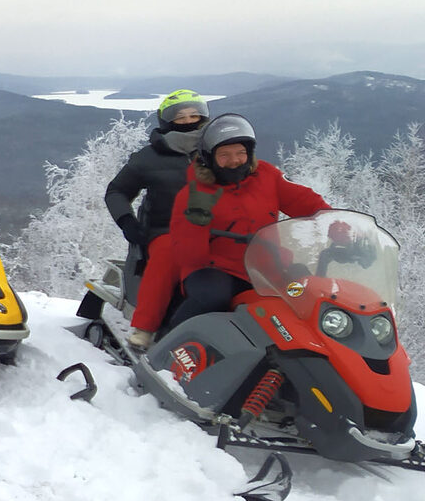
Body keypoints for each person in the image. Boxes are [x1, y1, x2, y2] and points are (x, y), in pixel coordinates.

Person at [127, 114, 331, 347]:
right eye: (224, 155)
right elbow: (188, 256)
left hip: (266, 266)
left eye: (240, 153)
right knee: (212, 297)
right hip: (215, 267)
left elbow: (306, 201)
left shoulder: (267, 176)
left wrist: (334, 224)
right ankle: (170, 344)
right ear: (209, 158)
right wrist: (197, 223)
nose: (235, 161)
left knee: (307, 294)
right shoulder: (195, 194)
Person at [104, 88, 209, 316]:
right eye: (180, 117)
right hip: (166, 230)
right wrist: (127, 222)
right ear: (167, 121)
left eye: (193, 115)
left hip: (216, 230)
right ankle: (147, 324)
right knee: (167, 259)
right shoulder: (149, 158)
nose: (188, 121)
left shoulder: (218, 151)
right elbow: (116, 190)